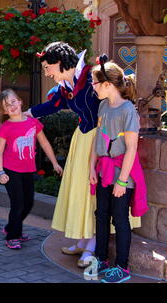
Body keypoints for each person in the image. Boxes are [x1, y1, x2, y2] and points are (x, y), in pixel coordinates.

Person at [24, 42, 140, 267]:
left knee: (94, 195)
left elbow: (113, 107)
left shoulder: (91, 78)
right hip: (83, 139)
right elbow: (53, 105)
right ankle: (83, 239)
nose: (47, 73)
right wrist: (27, 113)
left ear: (59, 63)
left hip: (101, 142)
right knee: (81, 192)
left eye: (48, 67)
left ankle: (93, 245)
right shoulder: (67, 84)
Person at [89, 58, 148, 283]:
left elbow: (131, 148)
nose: (92, 87)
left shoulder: (128, 110)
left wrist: (122, 182)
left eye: (94, 83)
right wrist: (91, 168)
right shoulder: (103, 106)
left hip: (122, 175)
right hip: (103, 171)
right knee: (101, 215)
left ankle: (122, 267)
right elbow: (98, 138)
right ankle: (101, 258)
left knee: (120, 219)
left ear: (106, 84)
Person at [0, 89, 63, 249]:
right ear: (4, 111)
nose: (11, 106)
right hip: (11, 170)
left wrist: (54, 163)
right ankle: (12, 236)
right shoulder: (6, 127)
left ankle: (10, 227)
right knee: (18, 203)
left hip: (27, 170)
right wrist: (0, 172)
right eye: (7, 105)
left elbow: (45, 143)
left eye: (13, 102)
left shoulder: (33, 122)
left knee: (29, 203)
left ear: (20, 102)